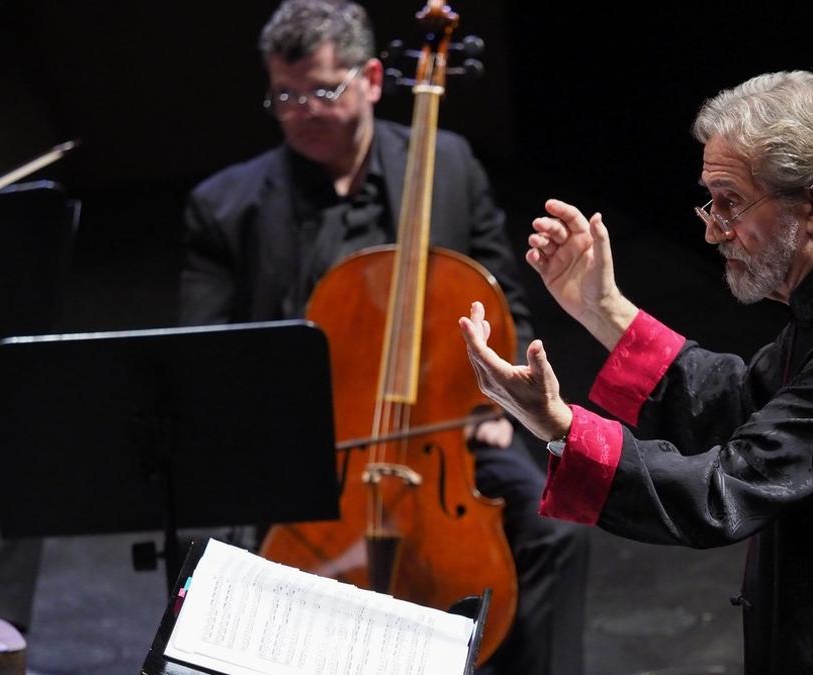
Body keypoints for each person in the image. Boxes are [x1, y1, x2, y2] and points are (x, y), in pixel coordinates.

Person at [461, 70, 813, 673]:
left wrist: (562, 428)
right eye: (710, 198)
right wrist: (603, 307)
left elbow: (722, 490)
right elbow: (745, 404)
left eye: (731, 202)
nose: (710, 227)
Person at [178, 2, 588, 673]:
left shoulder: (448, 164)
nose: (302, 110)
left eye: (322, 90)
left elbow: (501, 296)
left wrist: (496, 396)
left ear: (371, 78)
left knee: (555, 527)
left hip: (442, 432)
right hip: (315, 449)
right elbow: (208, 353)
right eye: (285, 94)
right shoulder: (226, 206)